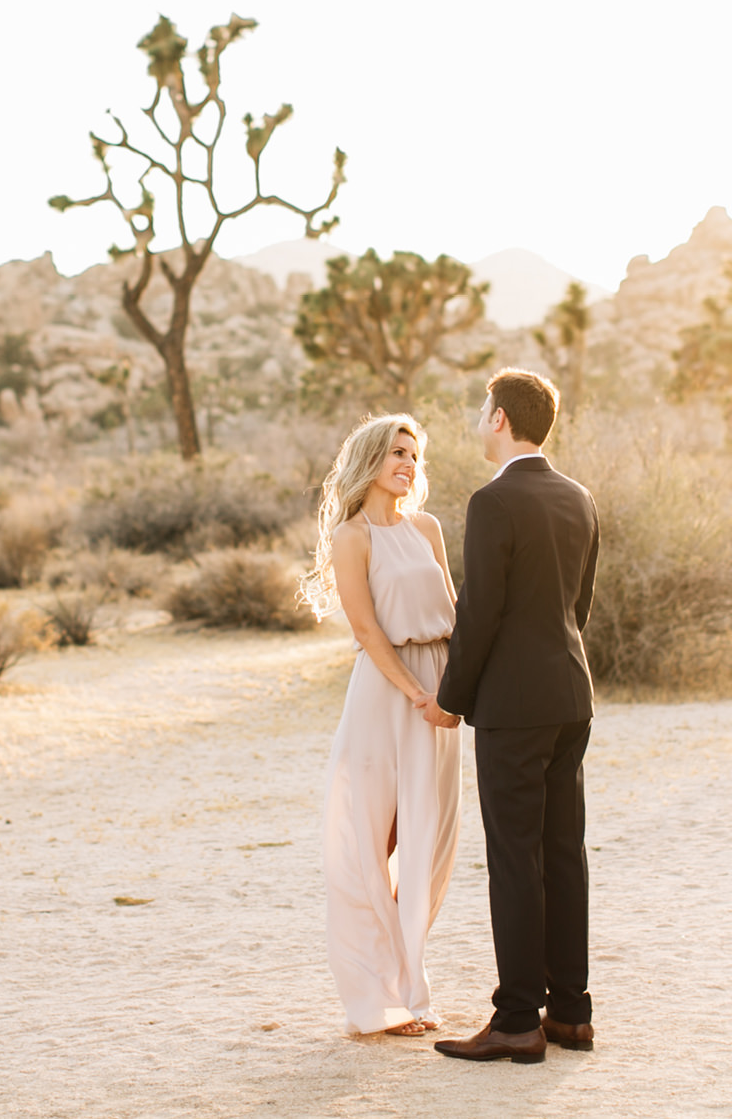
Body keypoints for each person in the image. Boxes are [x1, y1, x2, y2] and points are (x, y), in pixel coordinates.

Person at [433, 368, 600, 1064]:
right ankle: (570, 1012)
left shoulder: (493, 501)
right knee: (563, 853)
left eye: (482, 410)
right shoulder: (580, 497)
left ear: (500, 419)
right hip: (570, 696)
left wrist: (450, 699)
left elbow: (480, 612)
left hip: (513, 707)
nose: (479, 419)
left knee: (514, 859)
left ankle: (515, 1020)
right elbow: (578, 604)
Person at [302, 413, 463, 1037]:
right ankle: (379, 1000)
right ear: (370, 459)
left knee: (430, 842)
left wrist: (450, 691)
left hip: (439, 695)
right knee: (377, 841)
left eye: (415, 455)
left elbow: (454, 611)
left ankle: (406, 980)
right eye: (398, 452)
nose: (408, 464)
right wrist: (417, 692)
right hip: (387, 693)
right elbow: (366, 631)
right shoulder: (353, 536)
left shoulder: (427, 527)